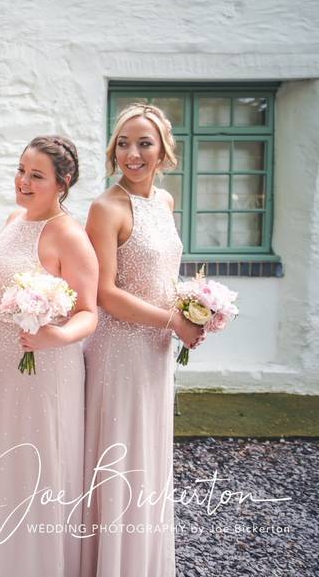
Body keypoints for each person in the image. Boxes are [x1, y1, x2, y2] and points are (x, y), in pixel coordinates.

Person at [81, 104, 203, 577]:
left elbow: (162, 274)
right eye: (125, 143)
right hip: (119, 350)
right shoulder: (106, 208)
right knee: (120, 452)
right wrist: (172, 320)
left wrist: (195, 310)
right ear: (114, 149)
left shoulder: (165, 202)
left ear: (163, 151)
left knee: (150, 450)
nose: (133, 153)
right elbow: (105, 293)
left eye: (144, 143)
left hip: (155, 352)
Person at [0, 136, 98, 576]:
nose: (23, 182)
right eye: (21, 170)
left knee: (36, 463)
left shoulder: (71, 236)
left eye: (36, 176)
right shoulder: (13, 219)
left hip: (46, 367)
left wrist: (58, 337)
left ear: (62, 183)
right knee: (1, 459)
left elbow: (89, 312)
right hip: (3, 369)